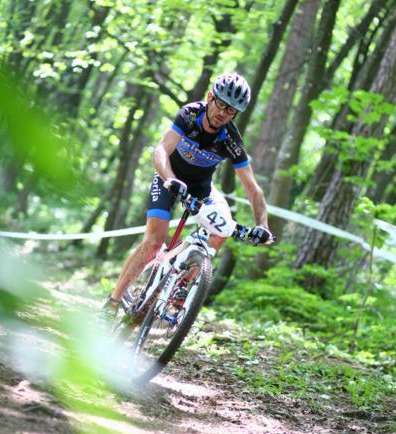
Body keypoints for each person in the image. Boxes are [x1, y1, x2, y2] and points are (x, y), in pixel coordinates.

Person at [103, 72, 273, 316]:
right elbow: (161, 149)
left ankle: (182, 283)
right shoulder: (190, 114)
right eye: (221, 105)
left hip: (201, 188)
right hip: (169, 177)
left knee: (222, 229)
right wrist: (170, 179)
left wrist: (262, 225)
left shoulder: (231, 140)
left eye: (231, 110)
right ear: (210, 97)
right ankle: (113, 301)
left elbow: (253, 189)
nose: (224, 113)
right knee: (154, 241)